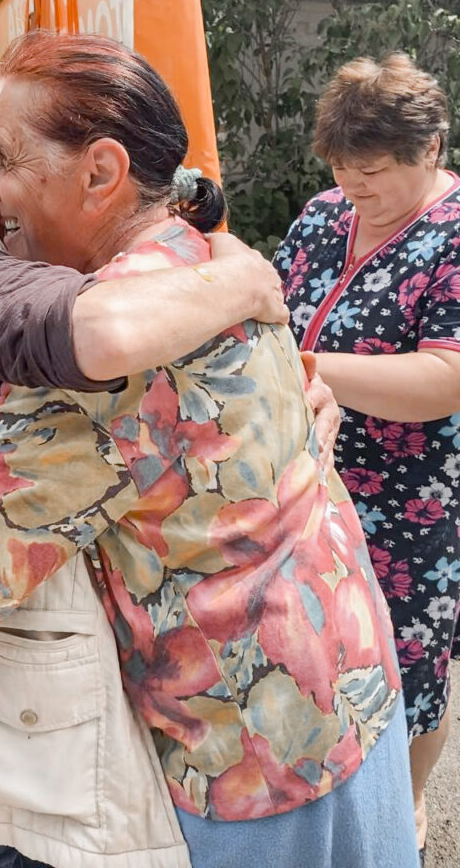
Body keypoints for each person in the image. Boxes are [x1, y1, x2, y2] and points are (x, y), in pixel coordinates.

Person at [0, 32, 419, 868]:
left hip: (259, 760)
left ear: (102, 174)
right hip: (348, 684)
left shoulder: (115, 360)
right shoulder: (200, 257)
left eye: (6, 159)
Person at [274, 52, 460, 862]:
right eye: (344, 170)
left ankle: (407, 804)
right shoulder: (322, 215)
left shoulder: (453, 236)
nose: (355, 187)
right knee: (319, 647)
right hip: (311, 475)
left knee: (411, 658)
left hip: (413, 491)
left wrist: (310, 370)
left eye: (374, 171)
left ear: (432, 149)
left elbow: (445, 379)